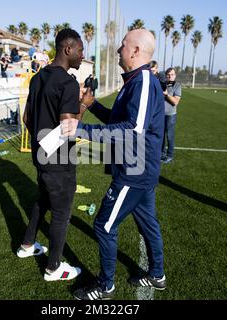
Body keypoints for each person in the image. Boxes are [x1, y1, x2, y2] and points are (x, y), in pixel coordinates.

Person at [69, 29, 166, 300]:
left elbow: (133, 129)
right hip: (138, 170)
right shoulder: (135, 81)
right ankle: (157, 274)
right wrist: (93, 105)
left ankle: (105, 285)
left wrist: (81, 129)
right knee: (148, 223)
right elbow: (118, 120)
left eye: (123, 45)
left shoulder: (144, 80)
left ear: (135, 51)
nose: (118, 50)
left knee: (103, 225)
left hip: (135, 171)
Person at [17, 29, 85, 282]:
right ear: (67, 49)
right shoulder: (68, 83)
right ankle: (53, 267)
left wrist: (41, 143)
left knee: (43, 198)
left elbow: (26, 118)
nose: (81, 56)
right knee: (61, 212)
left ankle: (27, 245)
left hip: (41, 156)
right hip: (58, 160)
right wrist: (85, 105)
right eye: (79, 51)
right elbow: (68, 129)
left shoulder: (37, 78)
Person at [159, 67, 181, 164]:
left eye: (172, 75)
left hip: (170, 115)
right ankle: (162, 154)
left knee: (169, 135)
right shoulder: (162, 85)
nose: (170, 77)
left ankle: (170, 155)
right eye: (168, 75)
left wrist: (166, 95)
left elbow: (175, 102)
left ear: (175, 76)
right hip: (160, 114)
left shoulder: (177, 86)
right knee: (161, 135)